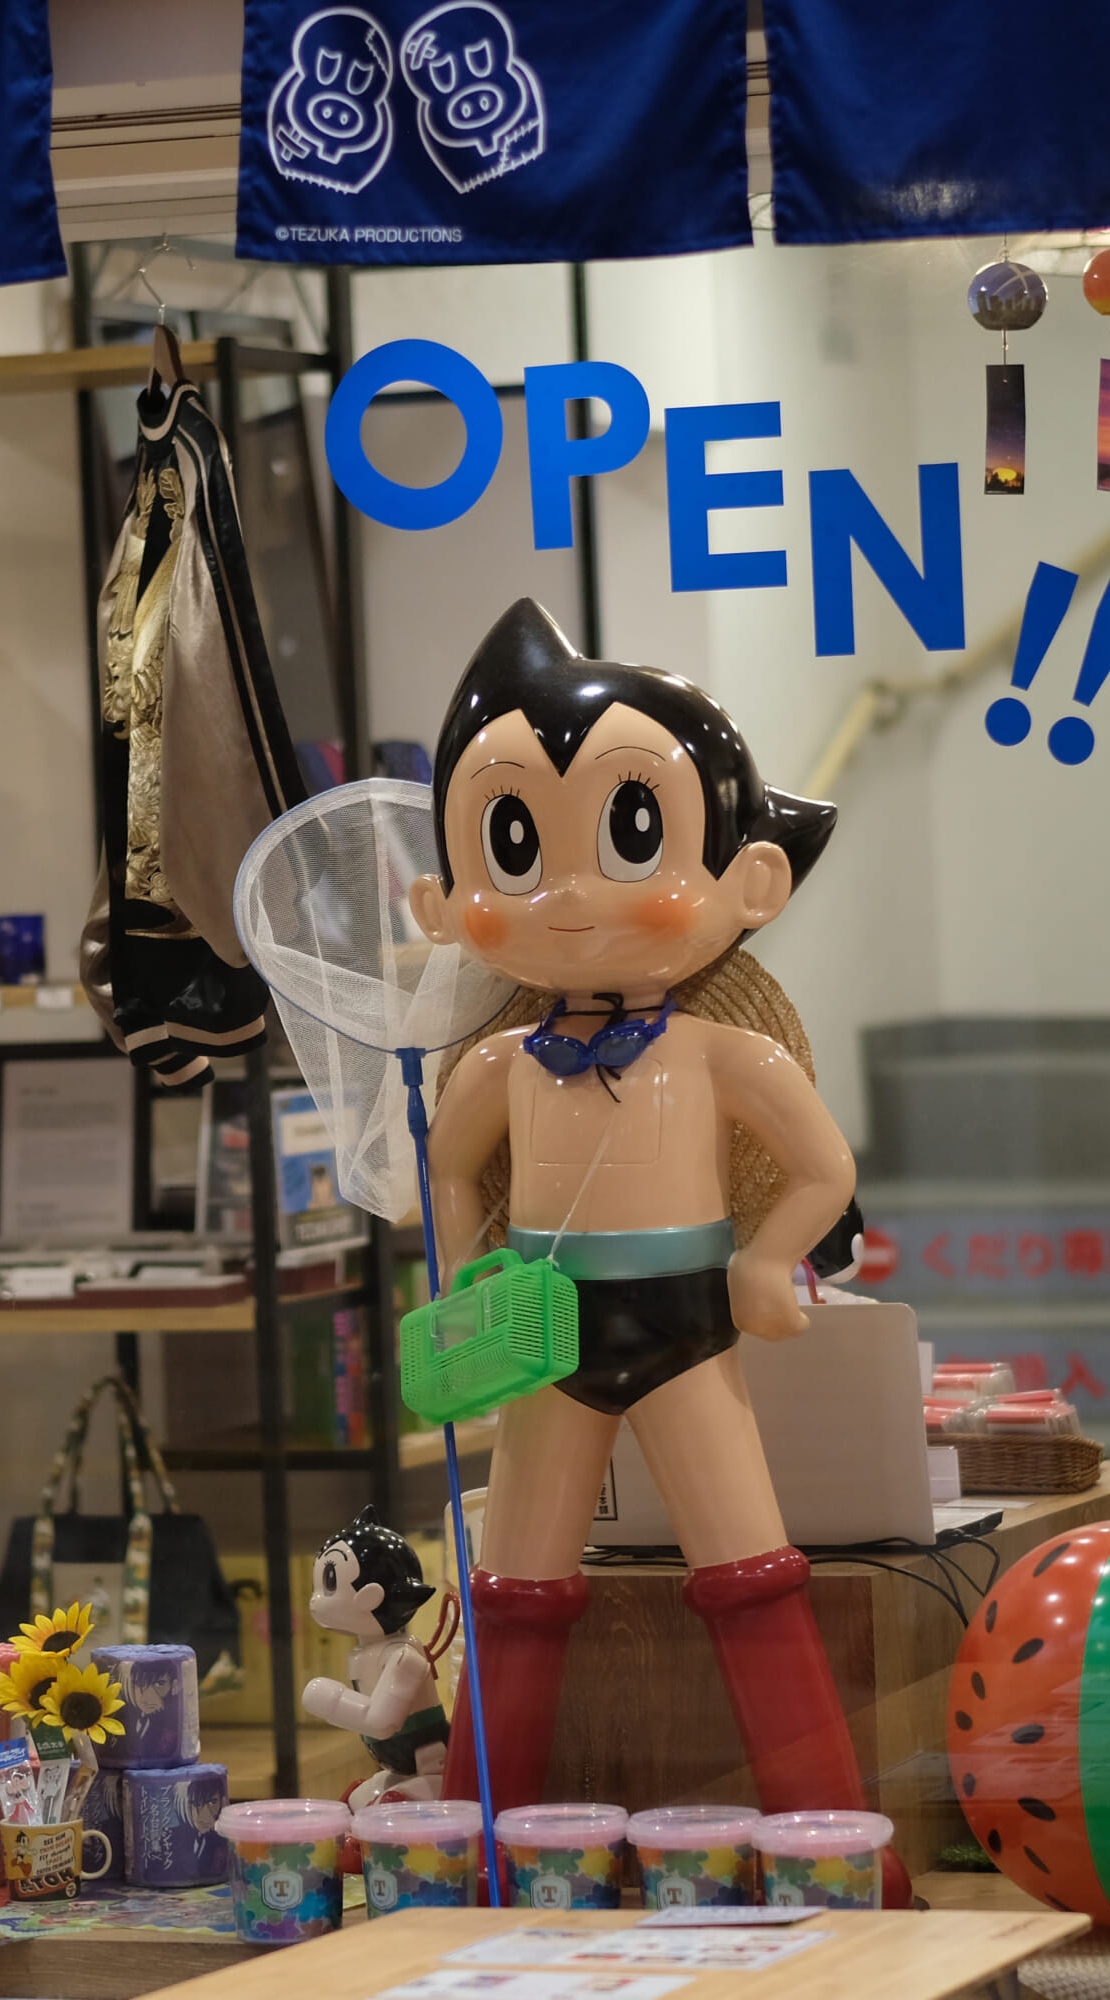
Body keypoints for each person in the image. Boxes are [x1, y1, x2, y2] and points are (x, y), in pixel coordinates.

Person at [409, 598, 905, 1907]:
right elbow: (448, 1167)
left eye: (631, 833)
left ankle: (838, 1853)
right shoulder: (497, 1065)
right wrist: (462, 1271)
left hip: (689, 1324)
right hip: (543, 1329)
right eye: (514, 845)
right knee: (515, 1590)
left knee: (753, 1577)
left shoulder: (725, 1054)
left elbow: (824, 1171)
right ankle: (475, 1858)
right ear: (444, 899)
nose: (569, 894)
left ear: (755, 883)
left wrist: (764, 1262)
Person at [300, 1510, 450, 1807]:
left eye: (329, 1582)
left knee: (386, 1805)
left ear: (372, 1596)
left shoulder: (403, 1656)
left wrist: (328, 1698)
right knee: (354, 1802)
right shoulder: (362, 1654)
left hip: (431, 1763)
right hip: (396, 1765)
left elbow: (381, 1721)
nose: (315, 1600)